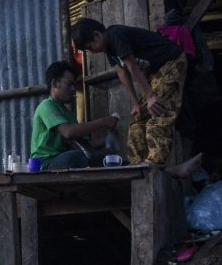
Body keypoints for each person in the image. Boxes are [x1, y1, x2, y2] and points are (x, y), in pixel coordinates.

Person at [71, 18, 187, 167]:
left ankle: (155, 162)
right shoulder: (109, 48)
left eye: (90, 47)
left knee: (158, 111)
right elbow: (122, 73)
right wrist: (136, 103)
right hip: (155, 71)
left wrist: (150, 96)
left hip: (171, 62)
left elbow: (131, 66)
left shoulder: (115, 34)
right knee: (138, 119)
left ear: (96, 35)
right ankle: (136, 164)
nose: (92, 52)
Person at [30, 61, 117, 170]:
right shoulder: (46, 106)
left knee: (107, 161)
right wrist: (103, 122)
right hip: (46, 164)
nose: (73, 89)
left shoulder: (68, 114)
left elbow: (86, 144)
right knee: (76, 157)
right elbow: (68, 132)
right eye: (69, 84)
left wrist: (108, 139)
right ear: (55, 83)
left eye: (74, 85)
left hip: (63, 161)